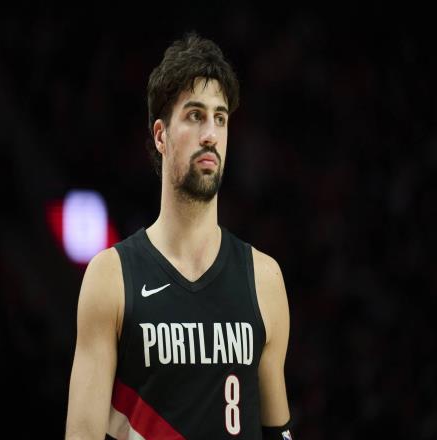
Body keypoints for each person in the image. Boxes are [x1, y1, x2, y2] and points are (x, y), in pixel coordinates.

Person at [65, 31, 293, 440]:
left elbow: (279, 433)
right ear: (161, 135)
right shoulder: (111, 277)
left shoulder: (265, 279)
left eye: (220, 118)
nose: (210, 134)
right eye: (194, 115)